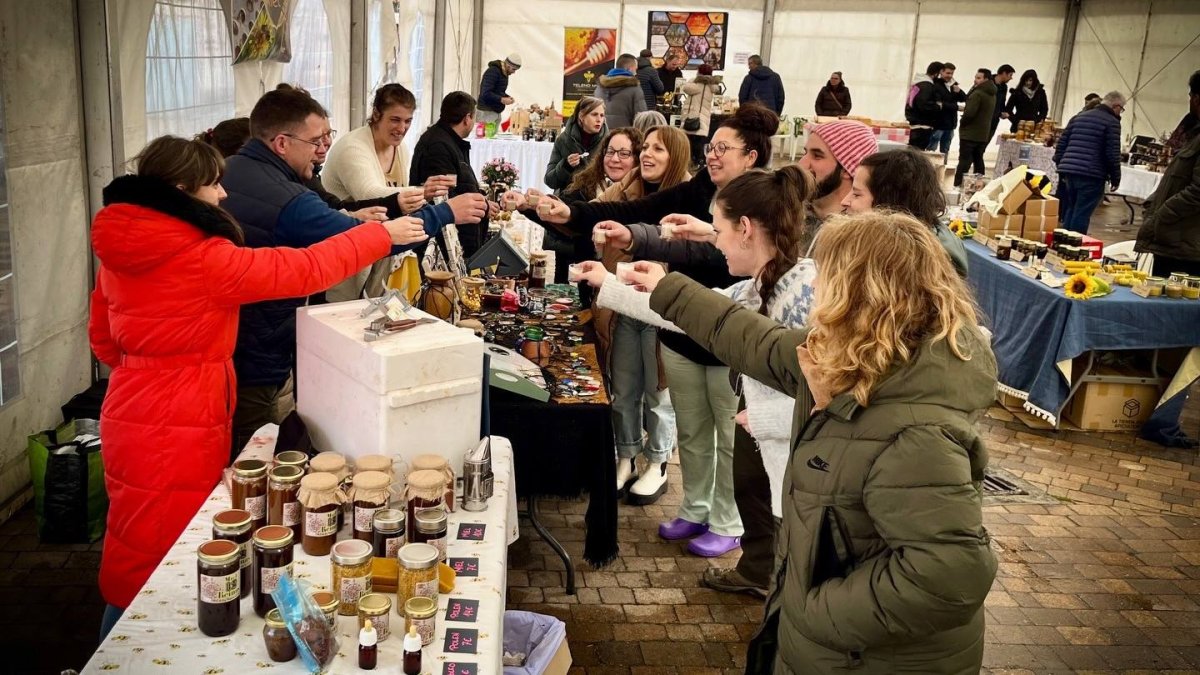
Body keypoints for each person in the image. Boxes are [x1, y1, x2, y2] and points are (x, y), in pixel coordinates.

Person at [89, 135, 429, 639]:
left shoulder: (124, 249)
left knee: (137, 536)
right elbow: (302, 269)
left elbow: (103, 340)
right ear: (183, 190)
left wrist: (153, 366)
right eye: (213, 185)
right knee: (157, 553)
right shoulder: (201, 257)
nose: (223, 196)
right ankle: (126, 653)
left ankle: (123, 644)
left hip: (130, 405)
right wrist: (381, 237)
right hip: (175, 420)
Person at [642, 210, 998, 674]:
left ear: (859, 293)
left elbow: (951, 576)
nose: (816, 291)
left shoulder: (915, 431)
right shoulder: (857, 360)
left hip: (867, 657)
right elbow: (758, 341)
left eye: (826, 277)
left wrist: (815, 611)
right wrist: (666, 288)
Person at [538, 104, 781, 560]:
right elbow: (639, 210)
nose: (712, 156)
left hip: (730, 337)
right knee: (691, 431)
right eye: (711, 147)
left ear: (750, 156)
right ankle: (695, 507)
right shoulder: (700, 190)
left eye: (723, 149)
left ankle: (727, 521)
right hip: (681, 330)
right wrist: (572, 213)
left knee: (728, 438)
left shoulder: (762, 202)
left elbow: (713, 260)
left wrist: (650, 246)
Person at [578, 164, 818, 597]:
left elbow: (823, 387)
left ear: (745, 228)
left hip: (801, 469)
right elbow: (686, 313)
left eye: (719, 230)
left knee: (795, 561)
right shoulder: (757, 287)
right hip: (783, 458)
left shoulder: (802, 292)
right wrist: (610, 283)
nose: (714, 241)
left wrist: (765, 417)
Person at [220, 87, 485, 451]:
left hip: (234, 341)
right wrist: (445, 212)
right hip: (259, 352)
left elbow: (327, 206)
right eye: (315, 141)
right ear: (282, 142)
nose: (322, 150)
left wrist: (353, 213)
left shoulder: (236, 170)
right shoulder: (285, 198)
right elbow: (361, 242)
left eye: (326, 137)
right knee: (257, 455)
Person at [319, 84, 461, 300]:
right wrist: (422, 191)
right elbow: (370, 194)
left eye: (408, 121)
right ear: (376, 114)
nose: (402, 128)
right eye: (395, 119)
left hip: (376, 249)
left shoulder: (399, 148)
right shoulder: (352, 147)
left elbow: (397, 201)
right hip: (342, 251)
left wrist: (422, 194)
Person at [842, 148, 968, 277]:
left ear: (888, 202)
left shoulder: (913, 264)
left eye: (857, 194)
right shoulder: (898, 248)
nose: (844, 201)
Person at [544, 127, 641, 278]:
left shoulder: (643, 198)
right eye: (610, 152)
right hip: (587, 281)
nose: (615, 159)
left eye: (624, 154)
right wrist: (531, 206)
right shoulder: (587, 184)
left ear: (637, 158)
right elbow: (566, 214)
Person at [410, 91, 495, 258]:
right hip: (445, 247)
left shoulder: (449, 142)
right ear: (467, 118)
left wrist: (482, 203)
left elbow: (459, 185)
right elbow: (445, 197)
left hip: (453, 239)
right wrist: (480, 207)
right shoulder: (438, 146)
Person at [1137, 70, 1200, 277]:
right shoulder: (1194, 134)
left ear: (1197, 99)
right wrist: (1152, 205)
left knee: (1173, 307)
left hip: (1185, 247)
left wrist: (1161, 215)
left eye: (1190, 96)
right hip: (1174, 242)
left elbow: (1197, 192)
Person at [1053, 91, 1124, 234]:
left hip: (1070, 171)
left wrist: (1062, 165)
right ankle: (1073, 246)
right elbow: (1112, 153)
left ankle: (1062, 242)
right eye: (1122, 109)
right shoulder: (1112, 122)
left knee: (1071, 209)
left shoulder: (1079, 117)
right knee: (1082, 212)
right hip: (1092, 173)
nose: (1121, 112)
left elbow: (1062, 144)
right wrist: (1116, 177)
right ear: (1116, 106)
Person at [799, 120, 879, 220]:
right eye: (805, 153)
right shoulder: (789, 213)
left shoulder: (859, 231)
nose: (801, 164)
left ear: (845, 169)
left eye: (817, 156)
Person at [544, 96, 608, 192]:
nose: (599, 119)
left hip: (597, 201)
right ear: (581, 116)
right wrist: (566, 165)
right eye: (594, 114)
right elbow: (550, 181)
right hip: (567, 199)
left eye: (602, 115)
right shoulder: (563, 140)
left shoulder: (609, 141)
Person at [955, 68, 997, 188]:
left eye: (978, 78)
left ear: (986, 79)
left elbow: (969, 113)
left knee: (964, 161)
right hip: (983, 133)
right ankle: (980, 185)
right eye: (975, 77)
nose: (975, 80)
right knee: (979, 160)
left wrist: (963, 123)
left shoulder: (978, 93)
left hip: (970, 133)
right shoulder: (992, 94)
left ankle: (958, 186)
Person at [681, 64, 722, 167]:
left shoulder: (695, 83)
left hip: (692, 116)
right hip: (704, 117)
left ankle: (691, 162)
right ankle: (700, 161)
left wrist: (695, 80)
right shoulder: (712, 86)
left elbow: (685, 88)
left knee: (689, 141)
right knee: (700, 141)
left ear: (699, 72)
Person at [594, 54, 647, 130]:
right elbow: (642, 117)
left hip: (602, 133)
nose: (636, 72)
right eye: (635, 69)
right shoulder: (634, 88)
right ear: (629, 69)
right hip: (625, 135)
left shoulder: (600, 87)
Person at [928, 62, 966, 160]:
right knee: (932, 149)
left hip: (950, 124)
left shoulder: (953, 85)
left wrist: (959, 91)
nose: (950, 76)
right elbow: (940, 103)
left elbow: (964, 98)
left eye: (952, 73)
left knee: (945, 150)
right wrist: (957, 107)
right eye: (948, 73)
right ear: (941, 72)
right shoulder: (936, 85)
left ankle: (942, 169)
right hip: (938, 123)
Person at [905, 61, 944, 149]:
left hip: (916, 123)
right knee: (917, 152)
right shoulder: (926, 86)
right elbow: (924, 105)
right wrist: (938, 106)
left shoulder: (919, 83)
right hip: (922, 125)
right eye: (940, 73)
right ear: (936, 73)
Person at [476, 53, 520, 124]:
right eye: (514, 69)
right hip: (486, 112)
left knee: (493, 135)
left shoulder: (504, 73)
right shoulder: (493, 72)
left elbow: (497, 92)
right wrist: (502, 99)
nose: (514, 72)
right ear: (508, 65)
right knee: (487, 135)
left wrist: (507, 97)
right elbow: (485, 93)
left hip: (494, 112)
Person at [989, 64, 1016, 140]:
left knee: (983, 146)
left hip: (994, 121)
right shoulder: (988, 82)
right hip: (984, 120)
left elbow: (1002, 104)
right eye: (1010, 75)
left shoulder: (1004, 87)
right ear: (1004, 73)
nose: (1011, 78)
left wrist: (1003, 113)